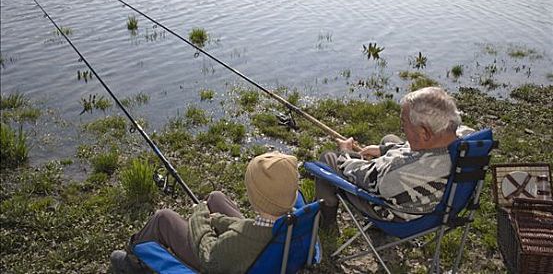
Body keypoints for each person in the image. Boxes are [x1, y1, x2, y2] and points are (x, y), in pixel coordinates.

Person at [110, 151, 299, 274]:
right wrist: (220, 220)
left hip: (219, 263)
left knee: (163, 218)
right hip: (264, 248)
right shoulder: (301, 220)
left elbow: (209, 255)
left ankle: (133, 263)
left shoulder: (238, 242)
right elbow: (247, 229)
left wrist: (200, 216)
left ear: (256, 198)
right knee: (216, 197)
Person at [315, 86, 474, 229]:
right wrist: (383, 150)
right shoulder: (469, 138)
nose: (402, 128)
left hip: (401, 213)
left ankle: (326, 222)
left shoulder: (396, 174)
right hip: (445, 202)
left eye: (404, 123)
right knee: (390, 138)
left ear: (424, 133)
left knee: (328, 159)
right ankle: (386, 147)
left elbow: (359, 174)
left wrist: (345, 153)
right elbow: (416, 150)